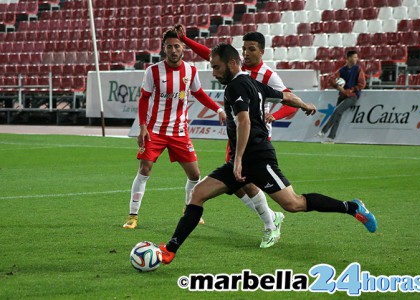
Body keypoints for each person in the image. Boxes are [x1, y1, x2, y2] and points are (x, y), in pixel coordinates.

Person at [157, 44, 378, 264]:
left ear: (232, 64)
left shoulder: (236, 86)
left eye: (216, 67)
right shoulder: (253, 83)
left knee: (293, 204)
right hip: (242, 159)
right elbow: (285, 96)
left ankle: (353, 207)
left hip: (259, 159)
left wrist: (239, 160)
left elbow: (244, 121)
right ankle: (170, 249)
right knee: (198, 194)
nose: (214, 73)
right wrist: (304, 104)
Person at [175, 25, 297, 248]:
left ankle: (271, 223)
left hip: (255, 138)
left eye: (251, 49)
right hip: (237, 136)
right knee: (238, 185)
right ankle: (272, 218)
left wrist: (275, 116)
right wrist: (185, 39)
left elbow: (289, 99)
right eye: (244, 49)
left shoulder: (268, 75)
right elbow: (209, 54)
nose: (247, 53)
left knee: (244, 182)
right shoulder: (235, 67)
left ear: (261, 52)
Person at [123, 30, 226, 229]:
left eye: (176, 46)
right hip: (155, 131)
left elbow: (199, 93)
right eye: (169, 46)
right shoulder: (153, 71)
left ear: (183, 48)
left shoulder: (191, 71)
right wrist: (143, 127)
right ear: (163, 48)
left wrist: (218, 109)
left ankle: (190, 209)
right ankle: (132, 215)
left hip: (179, 131)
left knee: (195, 175)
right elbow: (144, 98)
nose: (173, 50)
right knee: (144, 169)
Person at [316, 51, 366, 144]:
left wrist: (351, 90)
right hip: (342, 95)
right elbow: (331, 79)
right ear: (349, 58)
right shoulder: (342, 70)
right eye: (354, 57)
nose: (356, 59)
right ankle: (331, 138)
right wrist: (339, 87)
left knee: (337, 111)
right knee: (337, 115)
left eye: (356, 57)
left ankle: (323, 131)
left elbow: (362, 84)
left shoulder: (358, 69)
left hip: (352, 96)